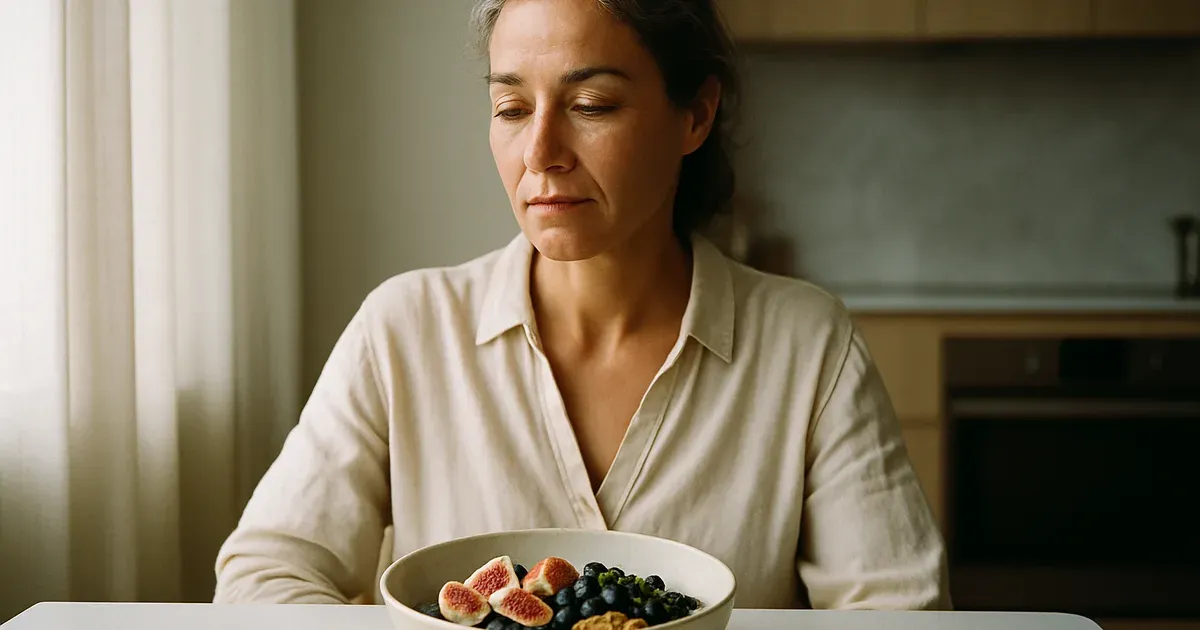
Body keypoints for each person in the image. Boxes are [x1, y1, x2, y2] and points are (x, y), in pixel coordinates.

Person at [213, 0, 950, 610]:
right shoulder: (404, 328)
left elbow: (898, 613)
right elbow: (263, 575)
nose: (540, 151)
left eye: (591, 104)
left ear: (694, 116)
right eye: (510, 107)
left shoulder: (807, 346)